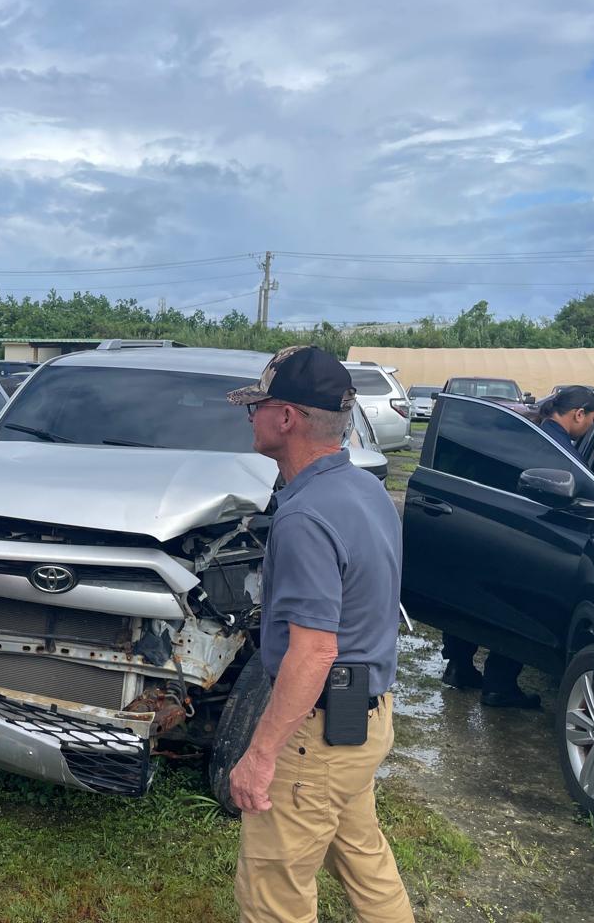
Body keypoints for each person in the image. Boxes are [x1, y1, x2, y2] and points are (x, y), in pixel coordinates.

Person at [226, 346, 414, 923]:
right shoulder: (365, 492)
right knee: (363, 858)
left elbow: (314, 649)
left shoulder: (306, 514)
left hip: (317, 735)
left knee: (273, 894)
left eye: (254, 406)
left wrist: (260, 755)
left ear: (286, 417)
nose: (249, 418)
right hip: (362, 720)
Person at [441, 384, 594, 709]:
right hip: (528, 539)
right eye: (592, 421)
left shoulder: (528, 433)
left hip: (489, 527)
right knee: (516, 607)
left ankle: (458, 666)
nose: (591, 428)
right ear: (578, 414)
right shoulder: (562, 452)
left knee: (475, 599)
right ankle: (500, 685)